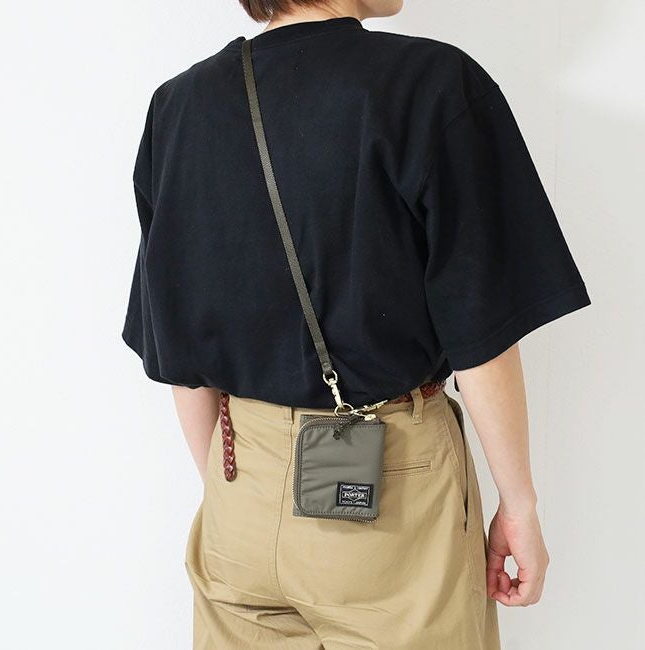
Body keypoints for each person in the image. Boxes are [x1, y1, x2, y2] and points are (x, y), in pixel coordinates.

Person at [121, 1, 591, 647]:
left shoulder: (178, 106)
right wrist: (520, 504)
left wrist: (236, 492)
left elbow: (178, 346)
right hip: (389, 495)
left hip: (239, 495)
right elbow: (481, 332)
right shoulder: (430, 83)